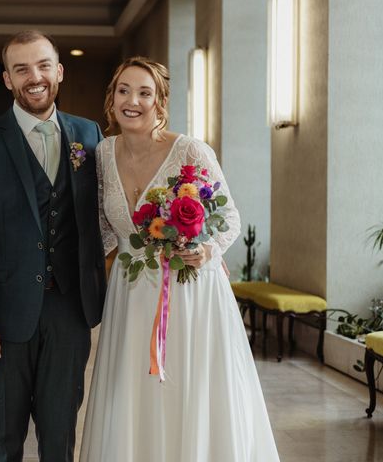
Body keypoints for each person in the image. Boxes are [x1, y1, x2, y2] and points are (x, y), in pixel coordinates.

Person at [80, 56, 280, 462]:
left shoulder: (189, 149)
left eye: (144, 92)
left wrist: (206, 250)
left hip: (189, 292)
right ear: (111, 98)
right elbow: (102, 229)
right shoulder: (102, 153)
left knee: (187, 390)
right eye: (123, 90)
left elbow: (229, 218)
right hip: (130, 290)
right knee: (132, 391)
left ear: (160, 101)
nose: (132, 100)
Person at [0, 30, 107, 462]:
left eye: (42, 66)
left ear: (59, 71)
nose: (33, 77)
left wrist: (188, 245)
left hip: (70, 312)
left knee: (60, 440)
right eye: (21, 69)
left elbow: (111, 213)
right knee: (4, 440)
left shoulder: (89, 135)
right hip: (1, 318)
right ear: (7, 79)